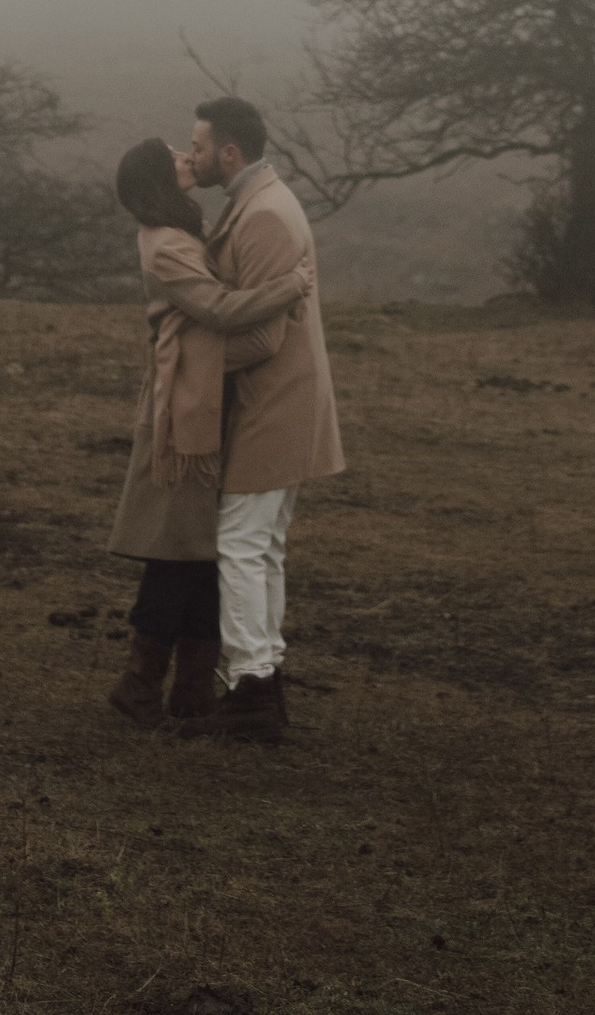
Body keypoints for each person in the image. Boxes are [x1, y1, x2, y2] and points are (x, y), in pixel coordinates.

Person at [105, 134, 314, 728]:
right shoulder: (166, 244)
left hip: (200, 402)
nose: (185, 158)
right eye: (173, 156)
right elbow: (219, 310)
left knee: (200, 552)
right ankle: (143, 686)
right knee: (176, 553)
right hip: (181, 413)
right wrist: (289, 288)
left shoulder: (181, 232)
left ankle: (189, 692)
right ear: (156, 178)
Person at [186, 94, 344, 745]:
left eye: (196, 146)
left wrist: (184, 363)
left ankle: (251, 686)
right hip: (280, 402)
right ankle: (262, 676)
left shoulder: (266, 217)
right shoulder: (258, 203)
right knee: (263, 546)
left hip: (272, 402)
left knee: (241, 545)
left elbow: (262, 340)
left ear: (229, 152)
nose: (190, 156)